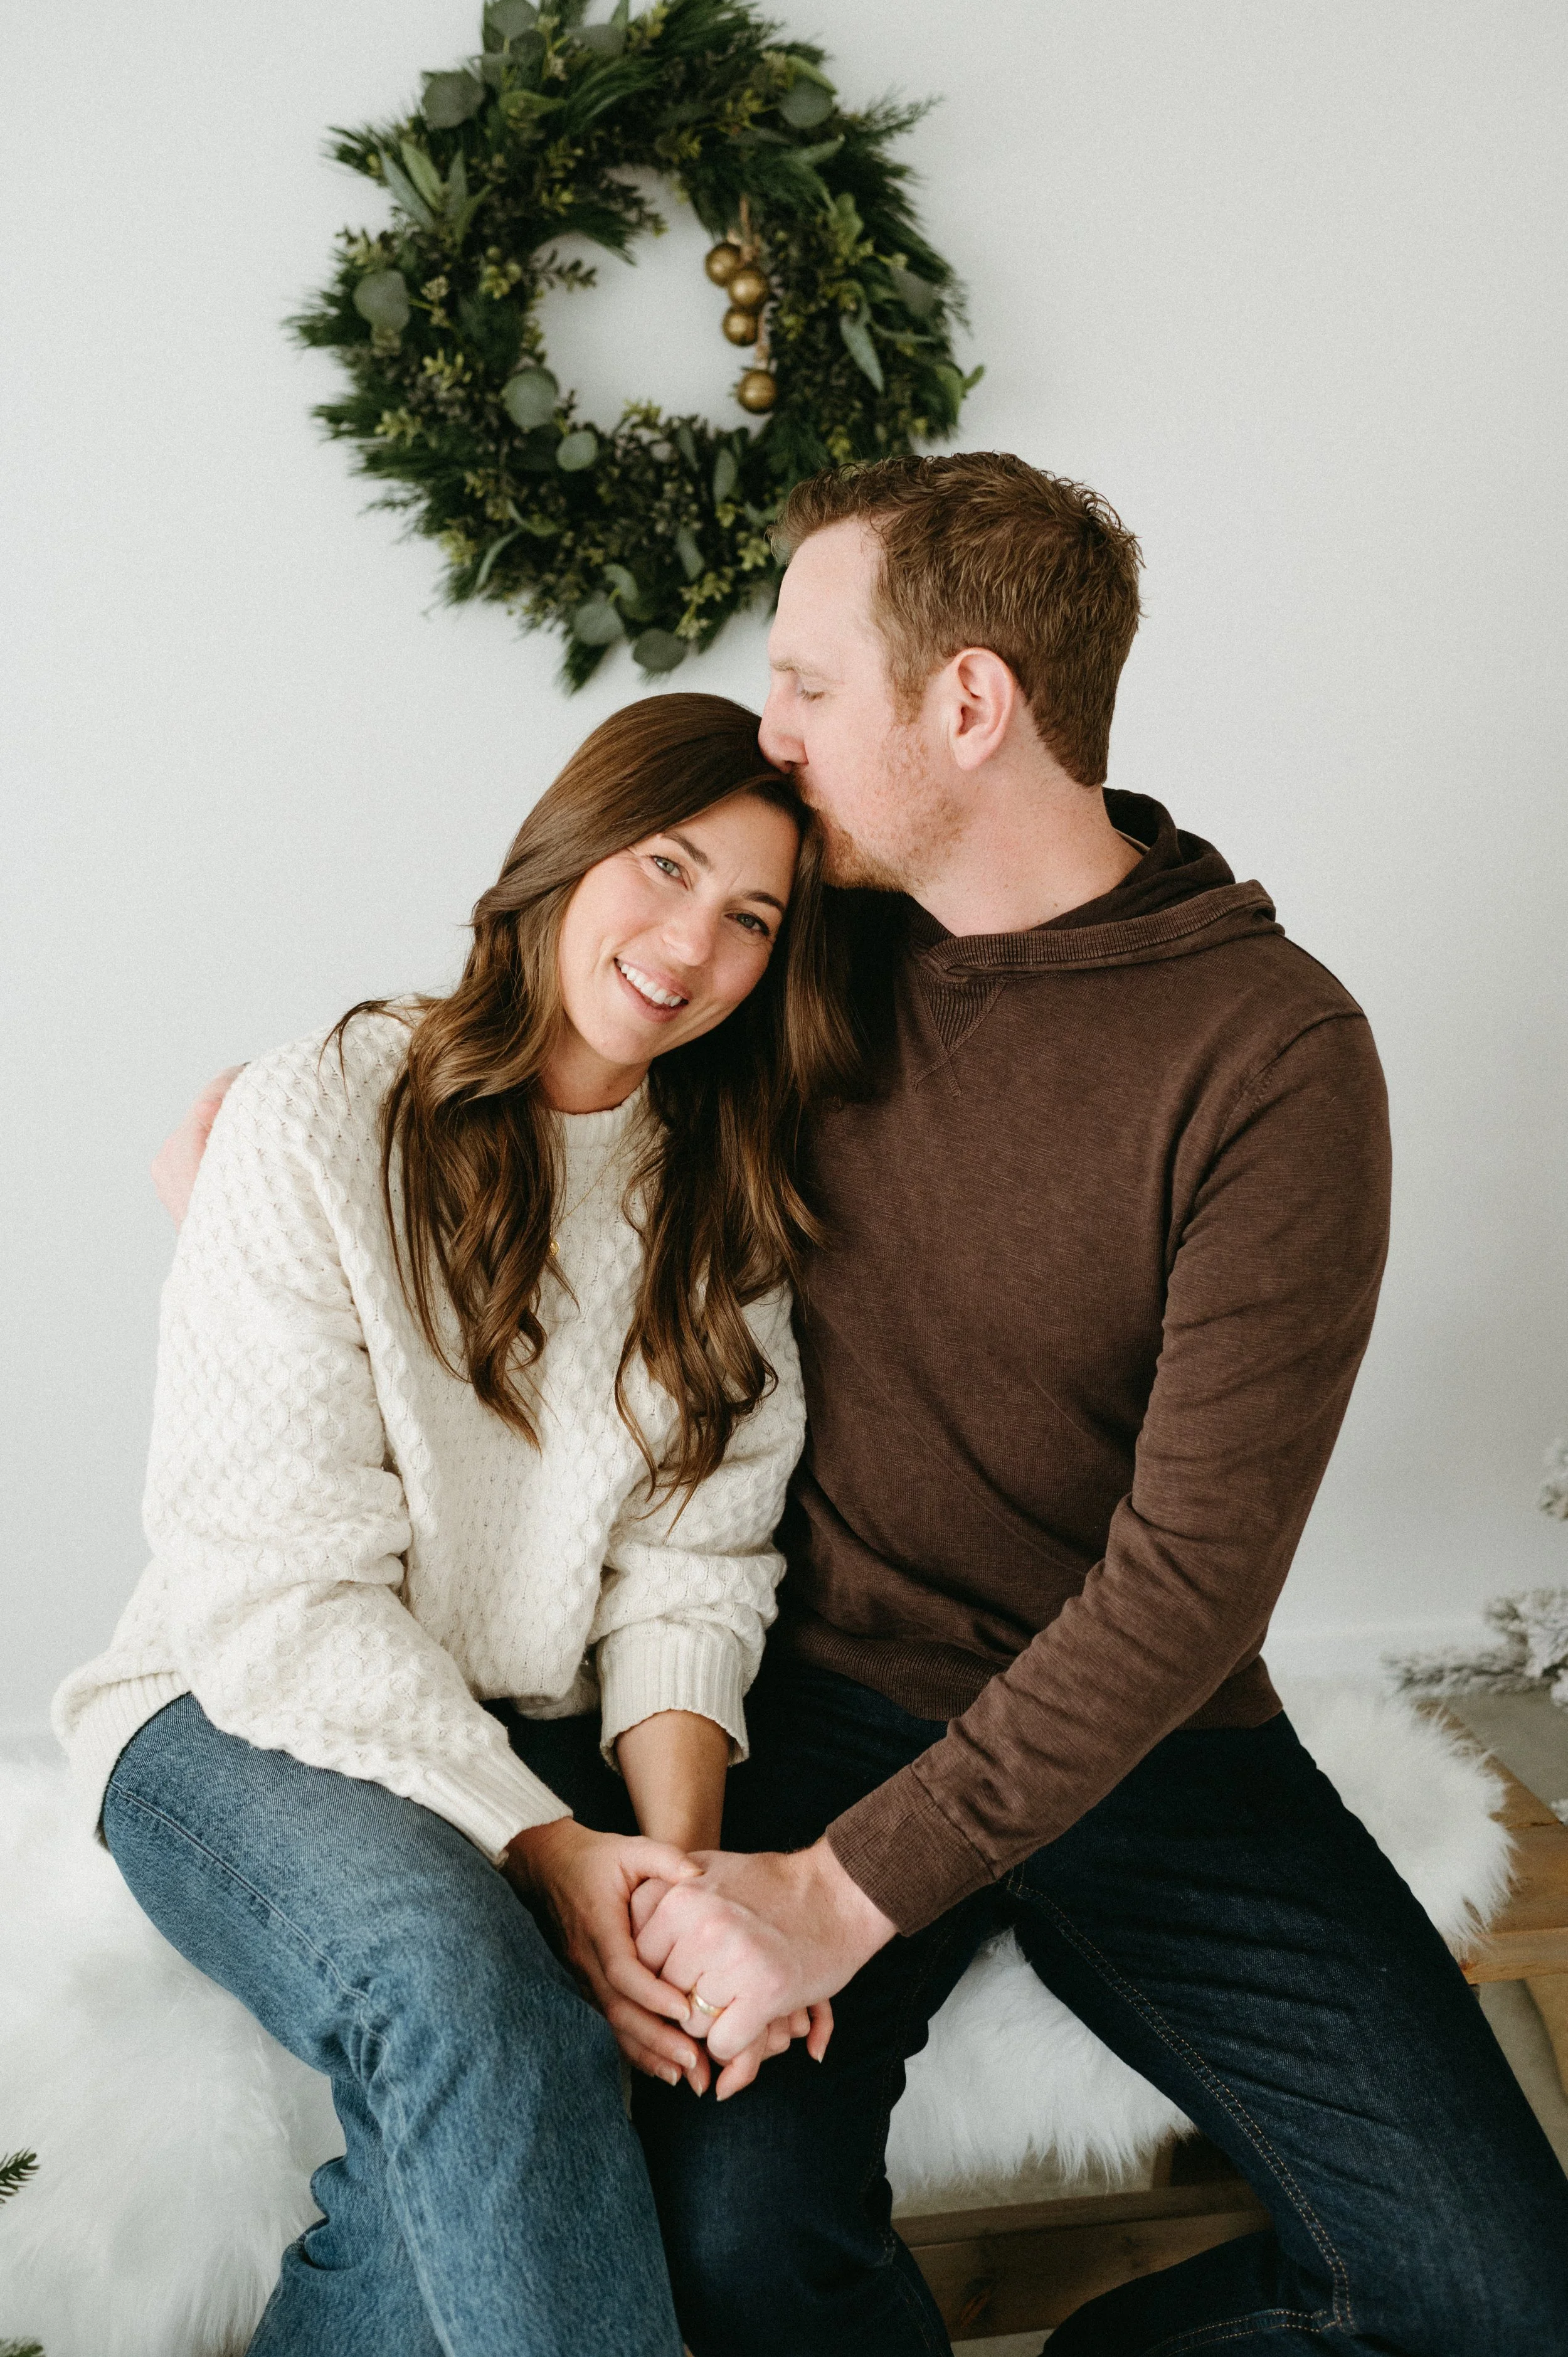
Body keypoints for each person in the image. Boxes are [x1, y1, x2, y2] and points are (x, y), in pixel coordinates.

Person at [148, 454, 1568, 2357]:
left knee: (1500, 2304)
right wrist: (280, 1157)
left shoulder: (1273, 1059)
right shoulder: (801, 941)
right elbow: (562, 1030)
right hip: (815, 1697)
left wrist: (841, 1898)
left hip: (1147, 1736)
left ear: (965, 704)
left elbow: (1188, 1588)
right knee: (728, 2251)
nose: (773, 724)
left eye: (810, 679)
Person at [52, 692, 852, 2357]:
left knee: (544, 2144)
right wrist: (552, 1855)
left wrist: (671, 1875)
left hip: (530, 1740)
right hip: (230, 1710)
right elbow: (284, 1600)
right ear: (566, 852)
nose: (689, 940)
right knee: (468, 1991)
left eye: (751, 917)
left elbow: (694, 1574)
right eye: (667, 865)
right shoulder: (313, 1115)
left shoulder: (727, 1200)